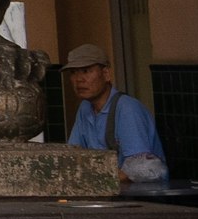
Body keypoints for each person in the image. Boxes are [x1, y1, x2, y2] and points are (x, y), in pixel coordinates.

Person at [65, 44, 167, 183]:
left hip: (141, 196)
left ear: (106, 74)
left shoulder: (127, 108)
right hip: (108, 192)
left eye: (86, 70)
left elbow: (139, 167)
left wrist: (97, 181)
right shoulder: (85, 107)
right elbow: (73, 153)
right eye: (73, 72)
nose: (79, 79)